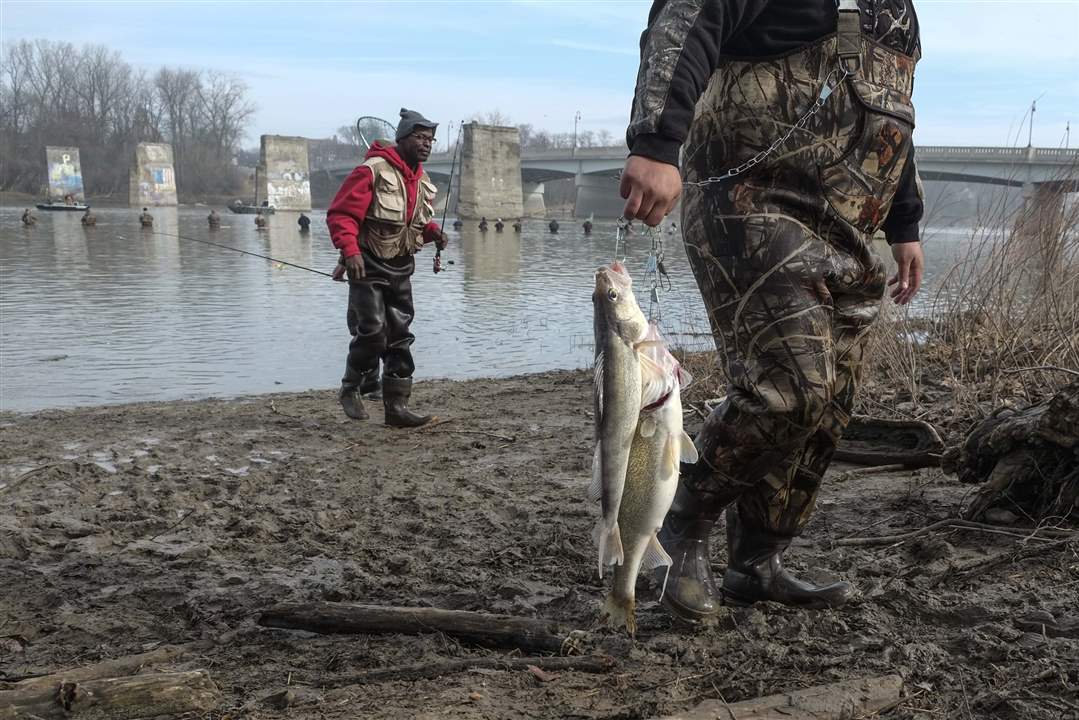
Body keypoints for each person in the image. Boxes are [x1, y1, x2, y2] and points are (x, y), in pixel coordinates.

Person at [620, 0, 925, 623]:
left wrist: (905, 222)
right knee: (788, 388)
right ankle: (679, 526)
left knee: (829, 403)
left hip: (848, 224)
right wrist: (657, 142)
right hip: (753, 200)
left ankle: (756, 562)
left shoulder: (897, 12)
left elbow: (891, 118)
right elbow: (687, 17)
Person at [327, 108, 447, 427]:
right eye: (420, 138)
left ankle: (396, 408)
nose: (427, 145)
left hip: (401, 268)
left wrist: (433, 232)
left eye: (431, 140)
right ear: (403, 138)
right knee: (373, 332)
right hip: (367, 265)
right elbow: (341, 215)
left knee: (400, 336)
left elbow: (414, 220)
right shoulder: (372, 170)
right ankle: (351, 387)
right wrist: (349, 251)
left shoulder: (420, 179)